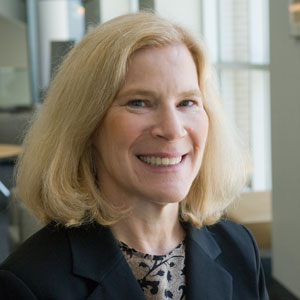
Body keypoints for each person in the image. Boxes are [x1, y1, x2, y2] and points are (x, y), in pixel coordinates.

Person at [0, 12, 269, 300]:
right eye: (139, 102)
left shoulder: (240, 248)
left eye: (187, 102)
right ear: (86, 126)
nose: (172, 129)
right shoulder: (27, 284)